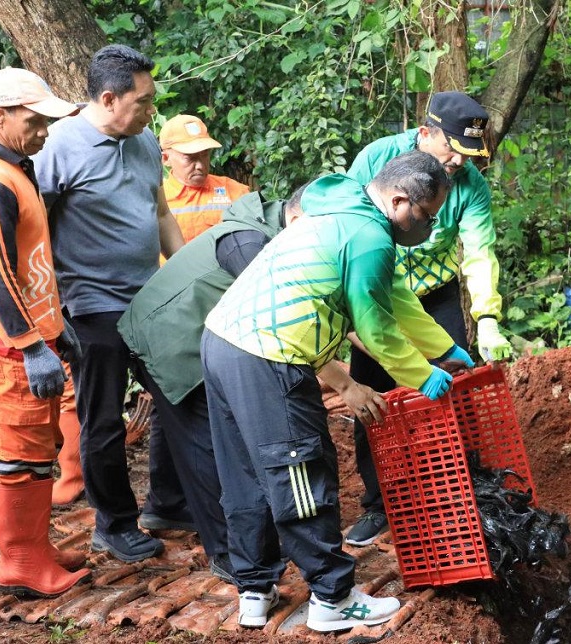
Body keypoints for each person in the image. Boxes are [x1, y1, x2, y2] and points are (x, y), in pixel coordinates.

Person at [201, 150, 473, 630]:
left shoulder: (344, 208)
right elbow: (376, 326)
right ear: (398, 199)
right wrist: (422, 375)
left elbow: (395, 296)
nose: (428, 229)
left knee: (245, 472)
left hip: (224, 340)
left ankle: (254, 587)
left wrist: (444, 346)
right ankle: (333, 598)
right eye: (426, 217)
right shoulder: (370, 236)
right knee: (302, 474)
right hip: (272, 354)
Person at [33, 44, 187, 564]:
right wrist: (50, 307)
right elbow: (34, 228)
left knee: (181, 395)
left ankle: (168, 502)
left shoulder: (142, 141)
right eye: (143, 101)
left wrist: (185, 277)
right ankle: (114, 525)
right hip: (89, 303)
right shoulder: (57, 145)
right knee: (103, 419)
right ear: (108, 98)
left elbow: (162, 212)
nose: (152, 110)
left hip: (148, 298)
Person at [343, 91, 513, 546]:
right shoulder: (378, 159)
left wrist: (488, 316)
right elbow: (349, 225)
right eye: (451, 149)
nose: (458, 162)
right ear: (424, 134)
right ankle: (379, 504)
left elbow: (478, 251)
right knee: (375, 394)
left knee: (450, 390)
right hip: (376, 289)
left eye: (469, 153)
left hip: (433, 296)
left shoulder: (470, 183)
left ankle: (451, 497)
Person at [117, 188, 304, 583]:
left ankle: (167, 505)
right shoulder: (250, 243)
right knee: (211, 444)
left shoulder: (268, 228)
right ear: (301, 216)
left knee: (181, 429)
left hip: (184, 332)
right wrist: (345, 379)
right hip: (169, 340)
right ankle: (229, 552)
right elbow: (282, 314)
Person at [0, 67, 91, 597]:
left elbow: (29, 259)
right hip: (8, 343)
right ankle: (20, 562)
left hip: (29, 332)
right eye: (34, 121)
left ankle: (34, 545)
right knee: (20, 454)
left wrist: (58, 326)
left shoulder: (12, 165)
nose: (44, 132)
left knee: (35, 449)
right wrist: (32, 343)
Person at [159, 113, 250, 242]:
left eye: (205, 155)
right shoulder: (157, 199)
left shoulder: (234, 191)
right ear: (165, 159)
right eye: (189, 157)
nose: (200, 165)